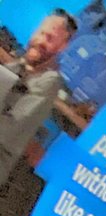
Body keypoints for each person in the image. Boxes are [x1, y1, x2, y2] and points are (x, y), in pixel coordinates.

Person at [0, 10, 77, 188]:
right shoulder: (16, 66)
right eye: (42, 33)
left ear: (61, 47)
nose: (41, 41)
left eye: (50, 38)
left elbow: (8, 130)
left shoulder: (49, 82)